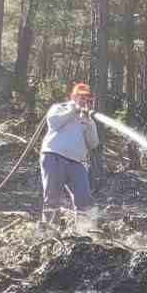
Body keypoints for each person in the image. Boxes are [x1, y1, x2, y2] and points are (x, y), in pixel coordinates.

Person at [41, 82, 98, 226]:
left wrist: (89, 123)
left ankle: (86, 231)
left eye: (87, 98)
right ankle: (50, 230)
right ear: (73, 96)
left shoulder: (87, 119)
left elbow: (93, 143)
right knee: (52, 196)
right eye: (81, 97)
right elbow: (53, 122)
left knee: (84, 198)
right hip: (54, 156)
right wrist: (74, 110)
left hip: (77, 162)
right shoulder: (60, 108)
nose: (84, 101)